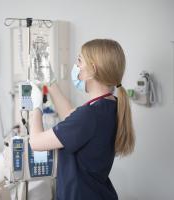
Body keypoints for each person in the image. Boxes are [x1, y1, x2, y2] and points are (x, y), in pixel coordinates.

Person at [29, 39, 135, 200]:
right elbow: (72, 118)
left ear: (93, 70)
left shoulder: (90, 115)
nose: (76, 66)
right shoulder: (111, 105)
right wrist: (50, 82)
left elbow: (36, 142)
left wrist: (34, 105)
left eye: (79, 61)